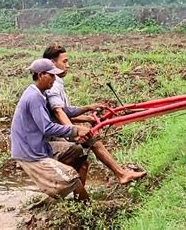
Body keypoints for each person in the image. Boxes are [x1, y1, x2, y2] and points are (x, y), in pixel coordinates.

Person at [43, 44, 146, 184]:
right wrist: (74, 131)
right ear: (52, 63)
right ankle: (121, 174)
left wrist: (87, 117)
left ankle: (80, 199)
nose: (68, 65)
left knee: (82, 164)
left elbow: (63, 112)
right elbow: (58, 112)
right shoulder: (53, 84)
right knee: (92, 143)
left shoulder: (56, 82)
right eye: (64, 61)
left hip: (56, 129)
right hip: (52, 135)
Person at [11, 59, 91, 201]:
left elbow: (63, 110)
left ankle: (62, 188)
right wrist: (75, 130)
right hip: (30, 152)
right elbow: (47, 128)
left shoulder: (42, 93)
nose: (54, 79)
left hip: (39, 145)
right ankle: (86, 208)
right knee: (71, 176)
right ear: (41, 75)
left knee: (78, 154)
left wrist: (88, 108)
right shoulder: (34, 97)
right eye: (52, 75)